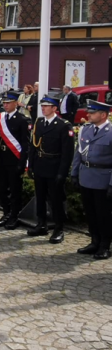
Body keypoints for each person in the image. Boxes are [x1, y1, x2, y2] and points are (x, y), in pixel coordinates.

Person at [27, 96, 74, 243]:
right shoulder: (39, 123)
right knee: (40, 197)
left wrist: (62, 172)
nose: (43, 108)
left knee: (56, 200)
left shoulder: (63, 125)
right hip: (40, 165)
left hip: (54, 167)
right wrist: (31, 165)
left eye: (47, 106)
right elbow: (33, 146)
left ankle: (59, 228)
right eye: (43, 106)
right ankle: (42, 224)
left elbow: (67, 153)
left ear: (55, 108)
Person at [71, 100, 112, 259]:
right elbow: (78, 154)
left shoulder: (110, 131)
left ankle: (104, 245)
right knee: (90, 213)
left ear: (102, 115)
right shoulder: (85, 130)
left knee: (103, 215)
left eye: (92, 113)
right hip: (86, 177)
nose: (88, 115)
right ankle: (94, 241)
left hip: (103, 179)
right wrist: (74, 173)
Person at [0, 91, 31, 230]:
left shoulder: (22, 120)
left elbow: (25, 144)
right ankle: (6, 213)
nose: (5, 105)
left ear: (16, 103)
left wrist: (22, 162)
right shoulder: (0, 118)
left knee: (15, 190)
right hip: (1, 157)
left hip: (14, 159)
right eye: (4, 103)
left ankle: (15, 216)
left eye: (8, 102)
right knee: (2, 188)